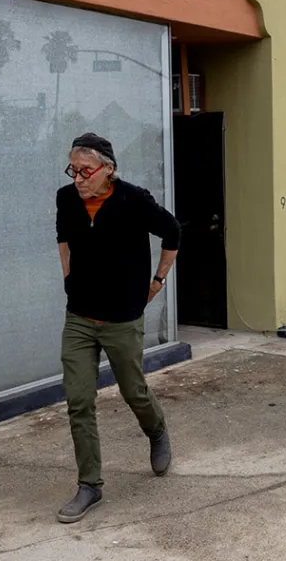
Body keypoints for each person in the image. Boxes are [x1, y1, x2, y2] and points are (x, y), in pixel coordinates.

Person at [54, 133, 181, 524]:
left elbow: (173, 232)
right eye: (73, 170)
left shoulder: (133, 200)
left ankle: (157, 430)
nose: (78, 178)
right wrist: (69, 277)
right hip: (79, 319)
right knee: (79, 400)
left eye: (86, 171)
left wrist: (157, 281)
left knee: (132, 390)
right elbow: (63, 239)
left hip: (122, 319)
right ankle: (90, 485)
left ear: (108, 170)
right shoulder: (65, 199)